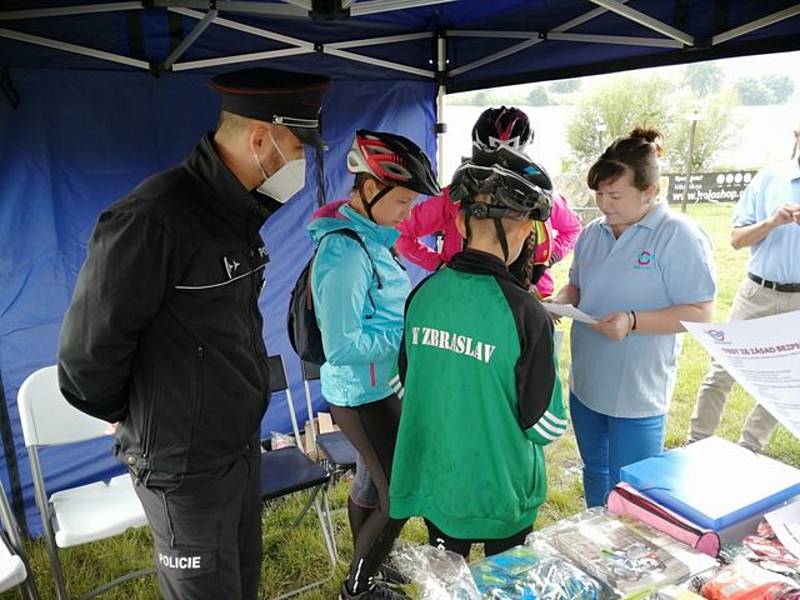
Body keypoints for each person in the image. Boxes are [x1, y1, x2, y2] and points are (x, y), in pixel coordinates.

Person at [57, 67, 330, 600]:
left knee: (238, 584)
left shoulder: (237, 211)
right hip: (182, 462)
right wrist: (139, 417)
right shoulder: (153, 219)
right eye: (297, 147)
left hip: (235, 445)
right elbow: (86, 358)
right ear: (261, 138)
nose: (301, 162)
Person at [389, 144, 565, 558]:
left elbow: (405, 387)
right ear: (523, 229)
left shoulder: (423, 295)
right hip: (501, 496)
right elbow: (546, 425)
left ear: (463, 222)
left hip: (440, 488)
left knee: (449, 582)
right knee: (502, 583)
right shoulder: (525, 312)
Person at [552, 128, 716, 508]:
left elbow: (701, 313)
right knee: (595, 470)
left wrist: (632, 320)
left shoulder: (678, 236)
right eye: (599, 195)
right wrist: (560, 301)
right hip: (588, 381)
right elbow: (577, 284)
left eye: (615, 195)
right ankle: (595, 534)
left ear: (650, 191)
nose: (605, 204)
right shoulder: (594, 232)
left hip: (637, 391)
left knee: (634, 486)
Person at [308, 130, 439, 599]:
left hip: (381, 385)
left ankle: (371, 561)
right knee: (399, 494)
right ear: (369, 189)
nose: (407, 215)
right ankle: (358, 587)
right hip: (359, 394)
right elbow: (341, 345)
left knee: (371, 481)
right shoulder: (343, 253)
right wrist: (408, 336)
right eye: (402, 202)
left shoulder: (372, 240)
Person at [688, 122, 800, 452]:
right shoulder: (769, 178)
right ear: (797, 136)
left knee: (786, 380)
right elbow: (736, 240)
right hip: (757, 294)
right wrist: (772, 222)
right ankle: (697, 445)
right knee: (721, 372)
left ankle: (749, 449)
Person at [395, 106, 581, 297]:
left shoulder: (541, 197)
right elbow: (401, 233)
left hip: (529, 296)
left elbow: (573, 229)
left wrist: (550, 258)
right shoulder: (454, 196)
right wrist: (440, 265)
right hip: (468, 295)